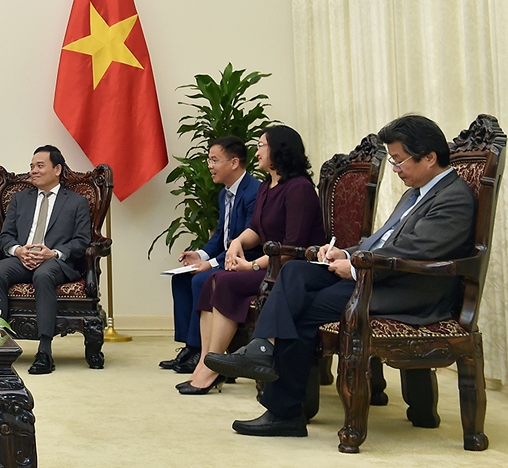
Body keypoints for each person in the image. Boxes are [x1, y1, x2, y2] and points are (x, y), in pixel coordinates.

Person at [206, 115, 477, 437]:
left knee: (303, 311)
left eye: (399, 160)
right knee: (294, 272)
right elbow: (382, 241)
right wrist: (344, 253)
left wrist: (358, 265)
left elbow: (415, 251)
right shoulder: (415, 192)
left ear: (429, 158)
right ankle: (263, 348)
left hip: (410, 290)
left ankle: (285, 411)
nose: (395, 168)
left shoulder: (452, 198)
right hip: (377, 274)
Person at [177, 125, 325, 395]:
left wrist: (252, 265)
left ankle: (213, 368)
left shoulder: (299, 188)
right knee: (211, 279)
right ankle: (205, 362)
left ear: (279, 150)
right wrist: (237, 243)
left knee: (223, 282)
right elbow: (256, 229)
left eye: (261, 146)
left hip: (291, 270)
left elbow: (294, 246)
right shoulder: (268, 186)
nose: (256, 152)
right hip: (272, 264)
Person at [0, 145, 92, 375]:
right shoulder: (20, 199)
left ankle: (44, 351)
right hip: (22, 258)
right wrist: (18, 251)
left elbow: (82, 241)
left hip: (56, 261)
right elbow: (5, 236)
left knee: (43, 275)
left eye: (40, 166)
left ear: (57, 169)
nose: (33, 171)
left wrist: (52, 253)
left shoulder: (76, 202)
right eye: (32, 166)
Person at [160, 136, 260, 375]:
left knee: (200, 279)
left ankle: (199, 350)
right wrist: (200, 255)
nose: (209, 166)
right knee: (182, 278)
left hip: (245, 261)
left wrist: (211, 264)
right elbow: (221, 237)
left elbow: (248, 239)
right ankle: (189, 347)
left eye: (214, 160)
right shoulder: (224, 193)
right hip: (224, 257)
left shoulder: (254, 192)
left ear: (234, 162)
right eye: (208, 160)